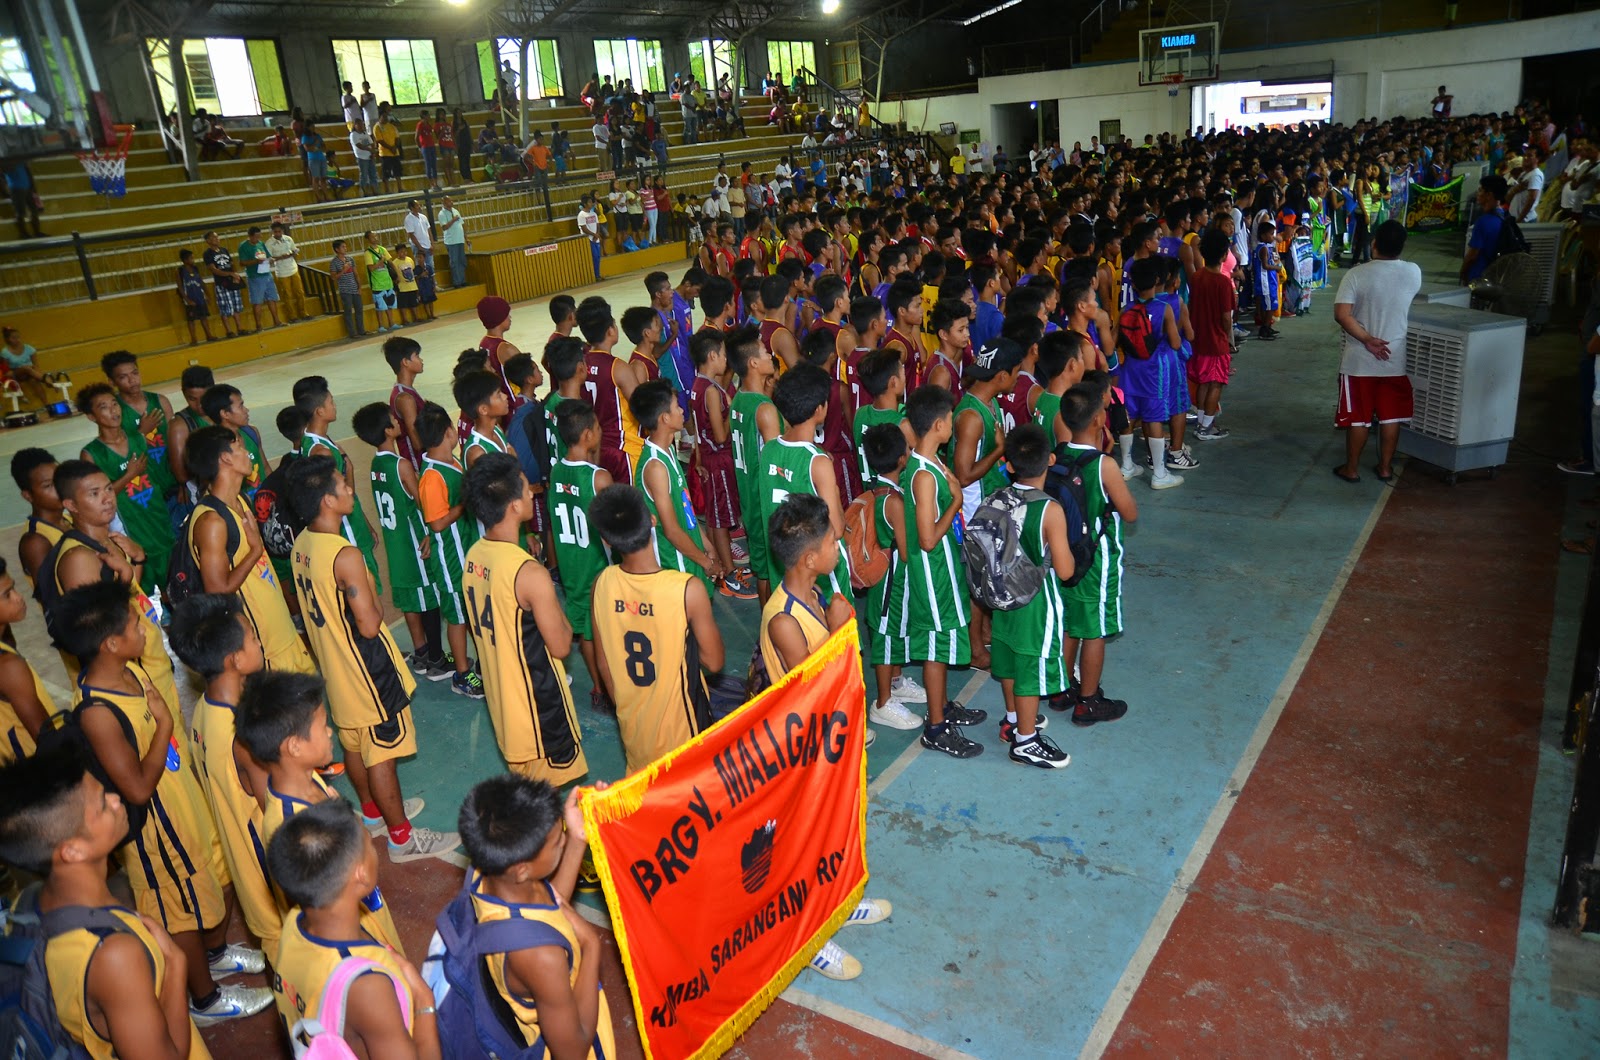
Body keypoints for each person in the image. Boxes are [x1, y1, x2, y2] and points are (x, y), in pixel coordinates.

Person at [56, 579, 275, 1026]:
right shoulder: (97, 711)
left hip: (177, 805)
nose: (144, 626)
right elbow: (135, 788)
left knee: (201, 891)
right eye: (134, 622)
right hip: (154, 833)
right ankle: (204, 999)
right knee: (179, 913)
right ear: (111, 642)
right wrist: (161, 727)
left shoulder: (128, 671)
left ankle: (213, 955)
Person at [286, 456, 456, 863]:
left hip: (336, 670)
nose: (349, 490)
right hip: (369, 671)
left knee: (356, 746)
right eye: (342, 487)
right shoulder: (345, 555)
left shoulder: (301, 547)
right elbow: (368, 623)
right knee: (383, 750)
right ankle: (402, 838)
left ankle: (374, 814)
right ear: (326, 500)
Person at [0, 745, 215, 1055]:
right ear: (72, 851)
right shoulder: (114, 957)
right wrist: (176, 970)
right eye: (102, 804)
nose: (116, 800)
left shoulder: (32, 901)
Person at [267, 800, 442, 1057]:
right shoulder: (368, 987)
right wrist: (425, 1003)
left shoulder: (296, 921)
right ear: (360, 874)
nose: (374, 850)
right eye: (370, 844)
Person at [457, 774, 617, 1054]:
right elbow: (574, 1051)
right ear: (522, 869)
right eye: (557, 843)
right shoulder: (540, 956)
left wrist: (577, 839)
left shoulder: (487, 875)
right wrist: (591, 946)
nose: (562, 842)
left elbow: (545, 909)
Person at [167, 594, 284, 961]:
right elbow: (278, 812)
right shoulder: (245, 737)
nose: (258, 640)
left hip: (246, 868)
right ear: (234, 659)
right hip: (273, 875)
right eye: (251, 637)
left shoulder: (204, 711)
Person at [461, 453, 588, 782]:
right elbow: (561, 645)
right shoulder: (529, 573)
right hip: (538, 708)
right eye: (525, 488)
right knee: (547, 805)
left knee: (531, 796)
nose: (532, 492)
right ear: (514, 505)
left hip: (504, 705)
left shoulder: (474, 555)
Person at [589, 484, 724, 773]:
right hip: (684, 736)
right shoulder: (687, 589)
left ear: (607, 540)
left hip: (634, 733)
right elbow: (714, 661)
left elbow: (605, 665)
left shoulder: (601, 584)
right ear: (652, 519)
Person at [184, 425, 315, 674]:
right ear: (225, 459)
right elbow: (218, 590)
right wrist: (255, 551)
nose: (248, 454)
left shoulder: (241, 500)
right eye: (240, 448)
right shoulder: (211, 522)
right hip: (264, 650)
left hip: (282, 635)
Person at [900, 385, 987, 759]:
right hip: (931, 571)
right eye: (950, 419)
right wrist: (954, 502)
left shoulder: (933, 462)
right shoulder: (923, 475)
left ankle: (943, 706)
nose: (953, 423)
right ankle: (935, 727)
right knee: (935, 649)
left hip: (944, 569)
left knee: (944, 642)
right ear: (938, 424)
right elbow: (928, 538)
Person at [986, 423, 1074, 767]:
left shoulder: (998, 496)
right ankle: (1026, 740)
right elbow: (1065, 570)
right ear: (1050, 459)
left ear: (1009, 465)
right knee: (1029, 671)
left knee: (1007, 660)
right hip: (1035, 603)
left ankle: (1012, 720)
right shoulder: (1050, 510)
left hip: (1001, 598)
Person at [353, 402, 445, 675]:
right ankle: (437, 659)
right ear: (388, 429)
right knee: (428, 598)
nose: (397, 419)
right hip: (414, 543)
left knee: (408, 599)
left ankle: (420, 651)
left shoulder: (374, 465)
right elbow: (423, 503)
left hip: (395, 546)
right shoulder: (401, 465)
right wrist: (430, 532)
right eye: (393, 418)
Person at [1333, 219, 1423, 484]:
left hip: (1359, 361)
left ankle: (1351, 469)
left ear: (1374, 244)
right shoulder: (1413, 272)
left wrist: (1367, 338)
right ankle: (1385, 468)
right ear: (1401, 246)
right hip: (1395, 358)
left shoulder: (1357, 274)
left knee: (1359, 420)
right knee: (1390, 417)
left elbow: (1342, 314)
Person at [76, 382, 177, 591]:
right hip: (130, 525)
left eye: (114, 404)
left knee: (173, 580)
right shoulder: (91, 454)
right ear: (91, 416)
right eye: (103, 407)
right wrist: (130, 474)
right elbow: (96, 499)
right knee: (145, 587)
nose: (113, 410)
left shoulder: (138, 439)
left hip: (157, 516)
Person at [547, 399, 614, 710]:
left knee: (585, 631)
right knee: (603, 630)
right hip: (597, 565)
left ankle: (598, 688)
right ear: (588, 435)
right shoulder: (598, 478)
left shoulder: (556, 472)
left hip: (570, 564)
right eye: (598, 428)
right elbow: (611, 530)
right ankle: (613, 688)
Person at [632, 379, 723, 595]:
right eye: (677, 407)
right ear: (664, 418)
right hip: (675, 565)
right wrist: (707, 563)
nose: (683, 410)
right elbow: (671, 531)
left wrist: (708, 546)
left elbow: (685, 508)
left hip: (689, 556)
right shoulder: (656, 468)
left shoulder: (668, 452)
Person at [296, 374, 382, 589]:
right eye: (331, 402)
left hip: (351, 522)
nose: (335, 405)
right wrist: (349, 470)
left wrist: (365, 522)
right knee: (364, 588)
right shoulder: (322, 451)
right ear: (320, 411)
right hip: (346, 528)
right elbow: (340, 493)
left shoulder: (312, 440)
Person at [688, 330, 752, 599]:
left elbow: (696, 431)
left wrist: (699, 460)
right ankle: (728, 574)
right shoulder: (713, 392)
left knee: (715, 517)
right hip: (720, 459)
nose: (726, 360)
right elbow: (720, 434)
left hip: (709, 459)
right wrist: (733, 405)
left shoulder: (696, 385)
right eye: (724, 354)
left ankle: (724, 569)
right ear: (712, 356)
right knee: (722, 519)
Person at [729, 325, 781, 602]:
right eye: (764, 351)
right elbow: (777, 461)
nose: (770, 354)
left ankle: (764, 641)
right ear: (753, 363)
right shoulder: (765, 410)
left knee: (762, 571)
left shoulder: (738, 401)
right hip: (767, 502)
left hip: (749, 499)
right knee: (775, 574)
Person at [1188, 229, 1237, 441]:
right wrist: (1227, 337)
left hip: (1198, 339)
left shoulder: (1197, 276)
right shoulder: (1223, 282)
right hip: (1215, 341)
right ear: (1224, 254)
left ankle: (1201, 420)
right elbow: (1227, 317)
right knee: (1216, 382)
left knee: (1203, 382)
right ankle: (1206, 426)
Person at [12, 446, 65, 592]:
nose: (60, 488)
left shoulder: (69, 519)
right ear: (28, 496)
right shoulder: (35, 541)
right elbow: (50, 597)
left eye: (59, 479)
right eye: (48, 485)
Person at [1460, 174, 1510, 284]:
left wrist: (1463, 273)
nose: (1478, 193)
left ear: (1489, 195)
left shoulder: (1483, 222)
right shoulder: (1505, 217)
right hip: (1496, 277)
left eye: (1481, 190)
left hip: (1479, 278)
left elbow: (1472, 256)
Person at [237, 226, 284, 331]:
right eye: (256, 236)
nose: (259, 238)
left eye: (259, 236)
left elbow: (268, 255)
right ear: (250, 236)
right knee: (257, 301)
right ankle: (259, 325)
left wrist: (270, 259)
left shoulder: (260, 243)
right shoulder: (244, 246)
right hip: (255, 276)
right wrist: (255, 261)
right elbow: (242, 262)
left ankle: (276, 321)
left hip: (266, 274)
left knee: (272, 298)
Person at [202, 229, 245, 337]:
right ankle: (229, 331)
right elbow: (214, 270)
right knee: (225, 307)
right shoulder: (207, 254)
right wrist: (230, 274)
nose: (217, 239)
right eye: (213, 237)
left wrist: (235, 274)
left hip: (232, 281)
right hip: (221, 283)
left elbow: (232, 263)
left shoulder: (224, 250)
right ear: (208, 241)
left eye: (217, 237)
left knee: (236, 305)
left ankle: (240, 328)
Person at [265, 220, 309, 323]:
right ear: (272, 232)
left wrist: (293, 253)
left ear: (282, 231)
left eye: (279, 231)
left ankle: (303, 313)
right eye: (275, 232)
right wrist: (280, 257)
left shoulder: (288, 239)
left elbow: (294, 250)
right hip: (281, 272)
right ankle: (292, 316)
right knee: (287, 295)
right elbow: (268, 259)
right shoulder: (269, 243)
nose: (278, 234)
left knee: (300, 292)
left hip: (293, 268)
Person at [329, 238, 367, 339]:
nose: (345, 248)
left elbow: (356, 273)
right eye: (343, 247)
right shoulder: (334, 262)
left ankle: (361, 330)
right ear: (337, 249)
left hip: (354, 288)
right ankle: (352, 332)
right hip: (345, 290)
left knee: (359, 309)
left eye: (345, 246)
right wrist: (343, 270)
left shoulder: (350, 259)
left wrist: (359, 286)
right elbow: (333, 277)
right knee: (348, 311)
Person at [365, 229, 400, 333]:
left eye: (376, 236)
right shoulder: (368, 253)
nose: (375, 238)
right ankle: (381, 325)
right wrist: (380, 261)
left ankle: (391, 323)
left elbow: (390, 262)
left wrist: (396, 274)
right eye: (372, 237)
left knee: (390, 304)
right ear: (368, 239)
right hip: (377, 283)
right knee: (380, 306)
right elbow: (371, 268)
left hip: (387, 281)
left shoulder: (382, 249)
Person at [437, 194, 471, 287]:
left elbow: (462, 225)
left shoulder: (455, 210)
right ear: (443, 202)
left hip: (460, 239)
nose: (451, 202)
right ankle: (457, 282)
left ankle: (463, 280)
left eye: (451, 200)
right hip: (451, 241)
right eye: (449, 201)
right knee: (454, 262)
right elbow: (444, 227)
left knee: (462, 261)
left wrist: (466, 238)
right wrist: (453, 219)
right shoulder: (442, 214)